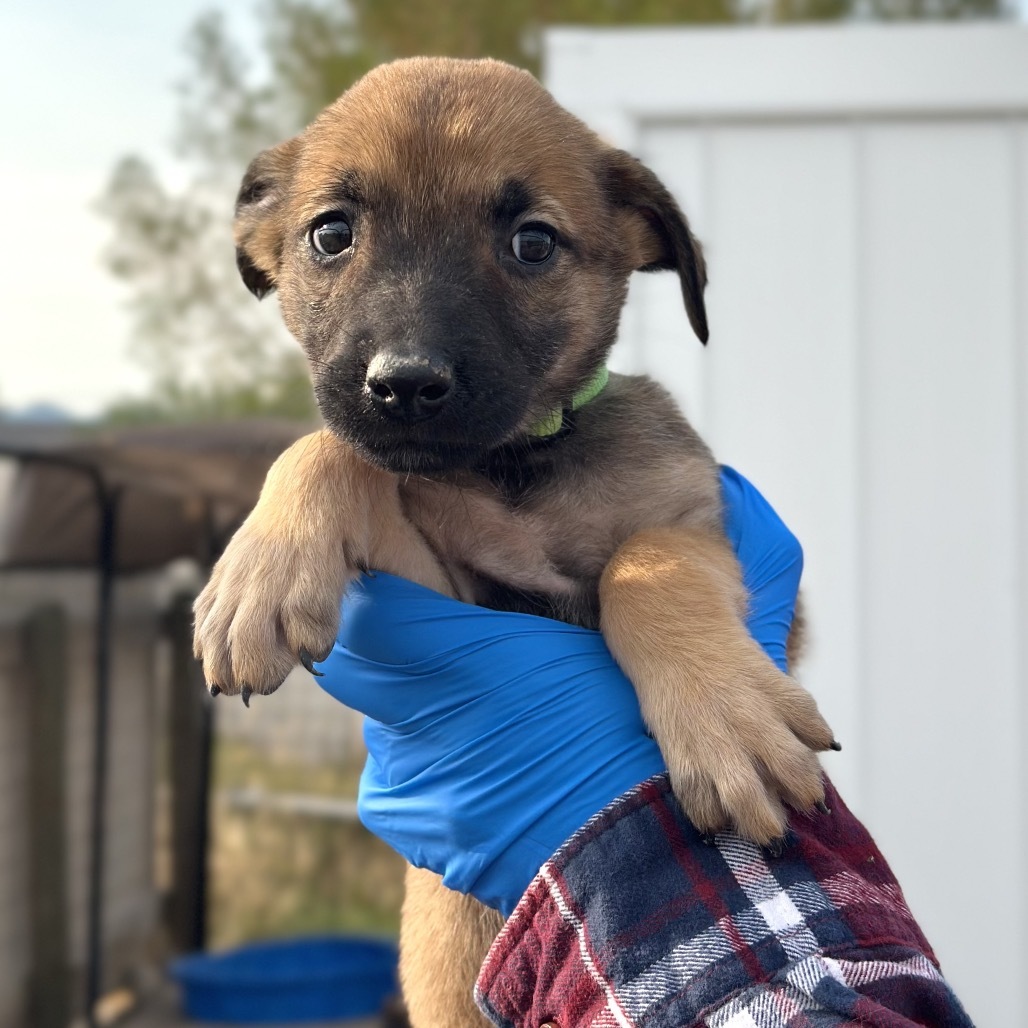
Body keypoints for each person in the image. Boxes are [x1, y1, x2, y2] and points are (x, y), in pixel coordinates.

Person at [316, 469, 972, 1027]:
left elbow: (765, 621)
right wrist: (307, 506)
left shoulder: (629, 452)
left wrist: (674, 599)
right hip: (472, 953)